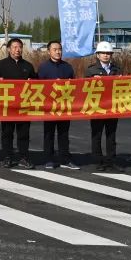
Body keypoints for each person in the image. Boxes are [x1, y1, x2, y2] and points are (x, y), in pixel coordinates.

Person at [0, 37, 38, 169]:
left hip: (23, 106)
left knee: (24, 133)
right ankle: (7, 157)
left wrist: (32, 81)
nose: (18, 50)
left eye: (20, 47)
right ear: (9, 49)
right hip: (7, 106)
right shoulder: (1, 64)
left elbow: (37, 83)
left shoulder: (28, 66)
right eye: (15, 47)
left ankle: (24, 157)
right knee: (7, 133)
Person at [37, 40, 80, 169]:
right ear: (49, 51)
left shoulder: (67, 67)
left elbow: (75, 85)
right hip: (49, 106)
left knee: (64, 134)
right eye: (55, 49)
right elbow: (38, 87)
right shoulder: (43, 67)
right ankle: (49, 159)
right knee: (49, 133)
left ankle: (65, 159)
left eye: (60, 49)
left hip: (64, 106)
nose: (58, 51)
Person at [83, 41, 123, 172]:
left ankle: (111, 160)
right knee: (97, 135)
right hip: (97, 107)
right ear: (98, 55)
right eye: (103, 53)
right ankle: (98, 161)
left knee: (111, 135)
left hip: (112, 106)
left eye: (108, 53)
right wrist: (91, 81)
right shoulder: (91, 70)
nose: (106, 55)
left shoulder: (117, 69)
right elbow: (83, 87)